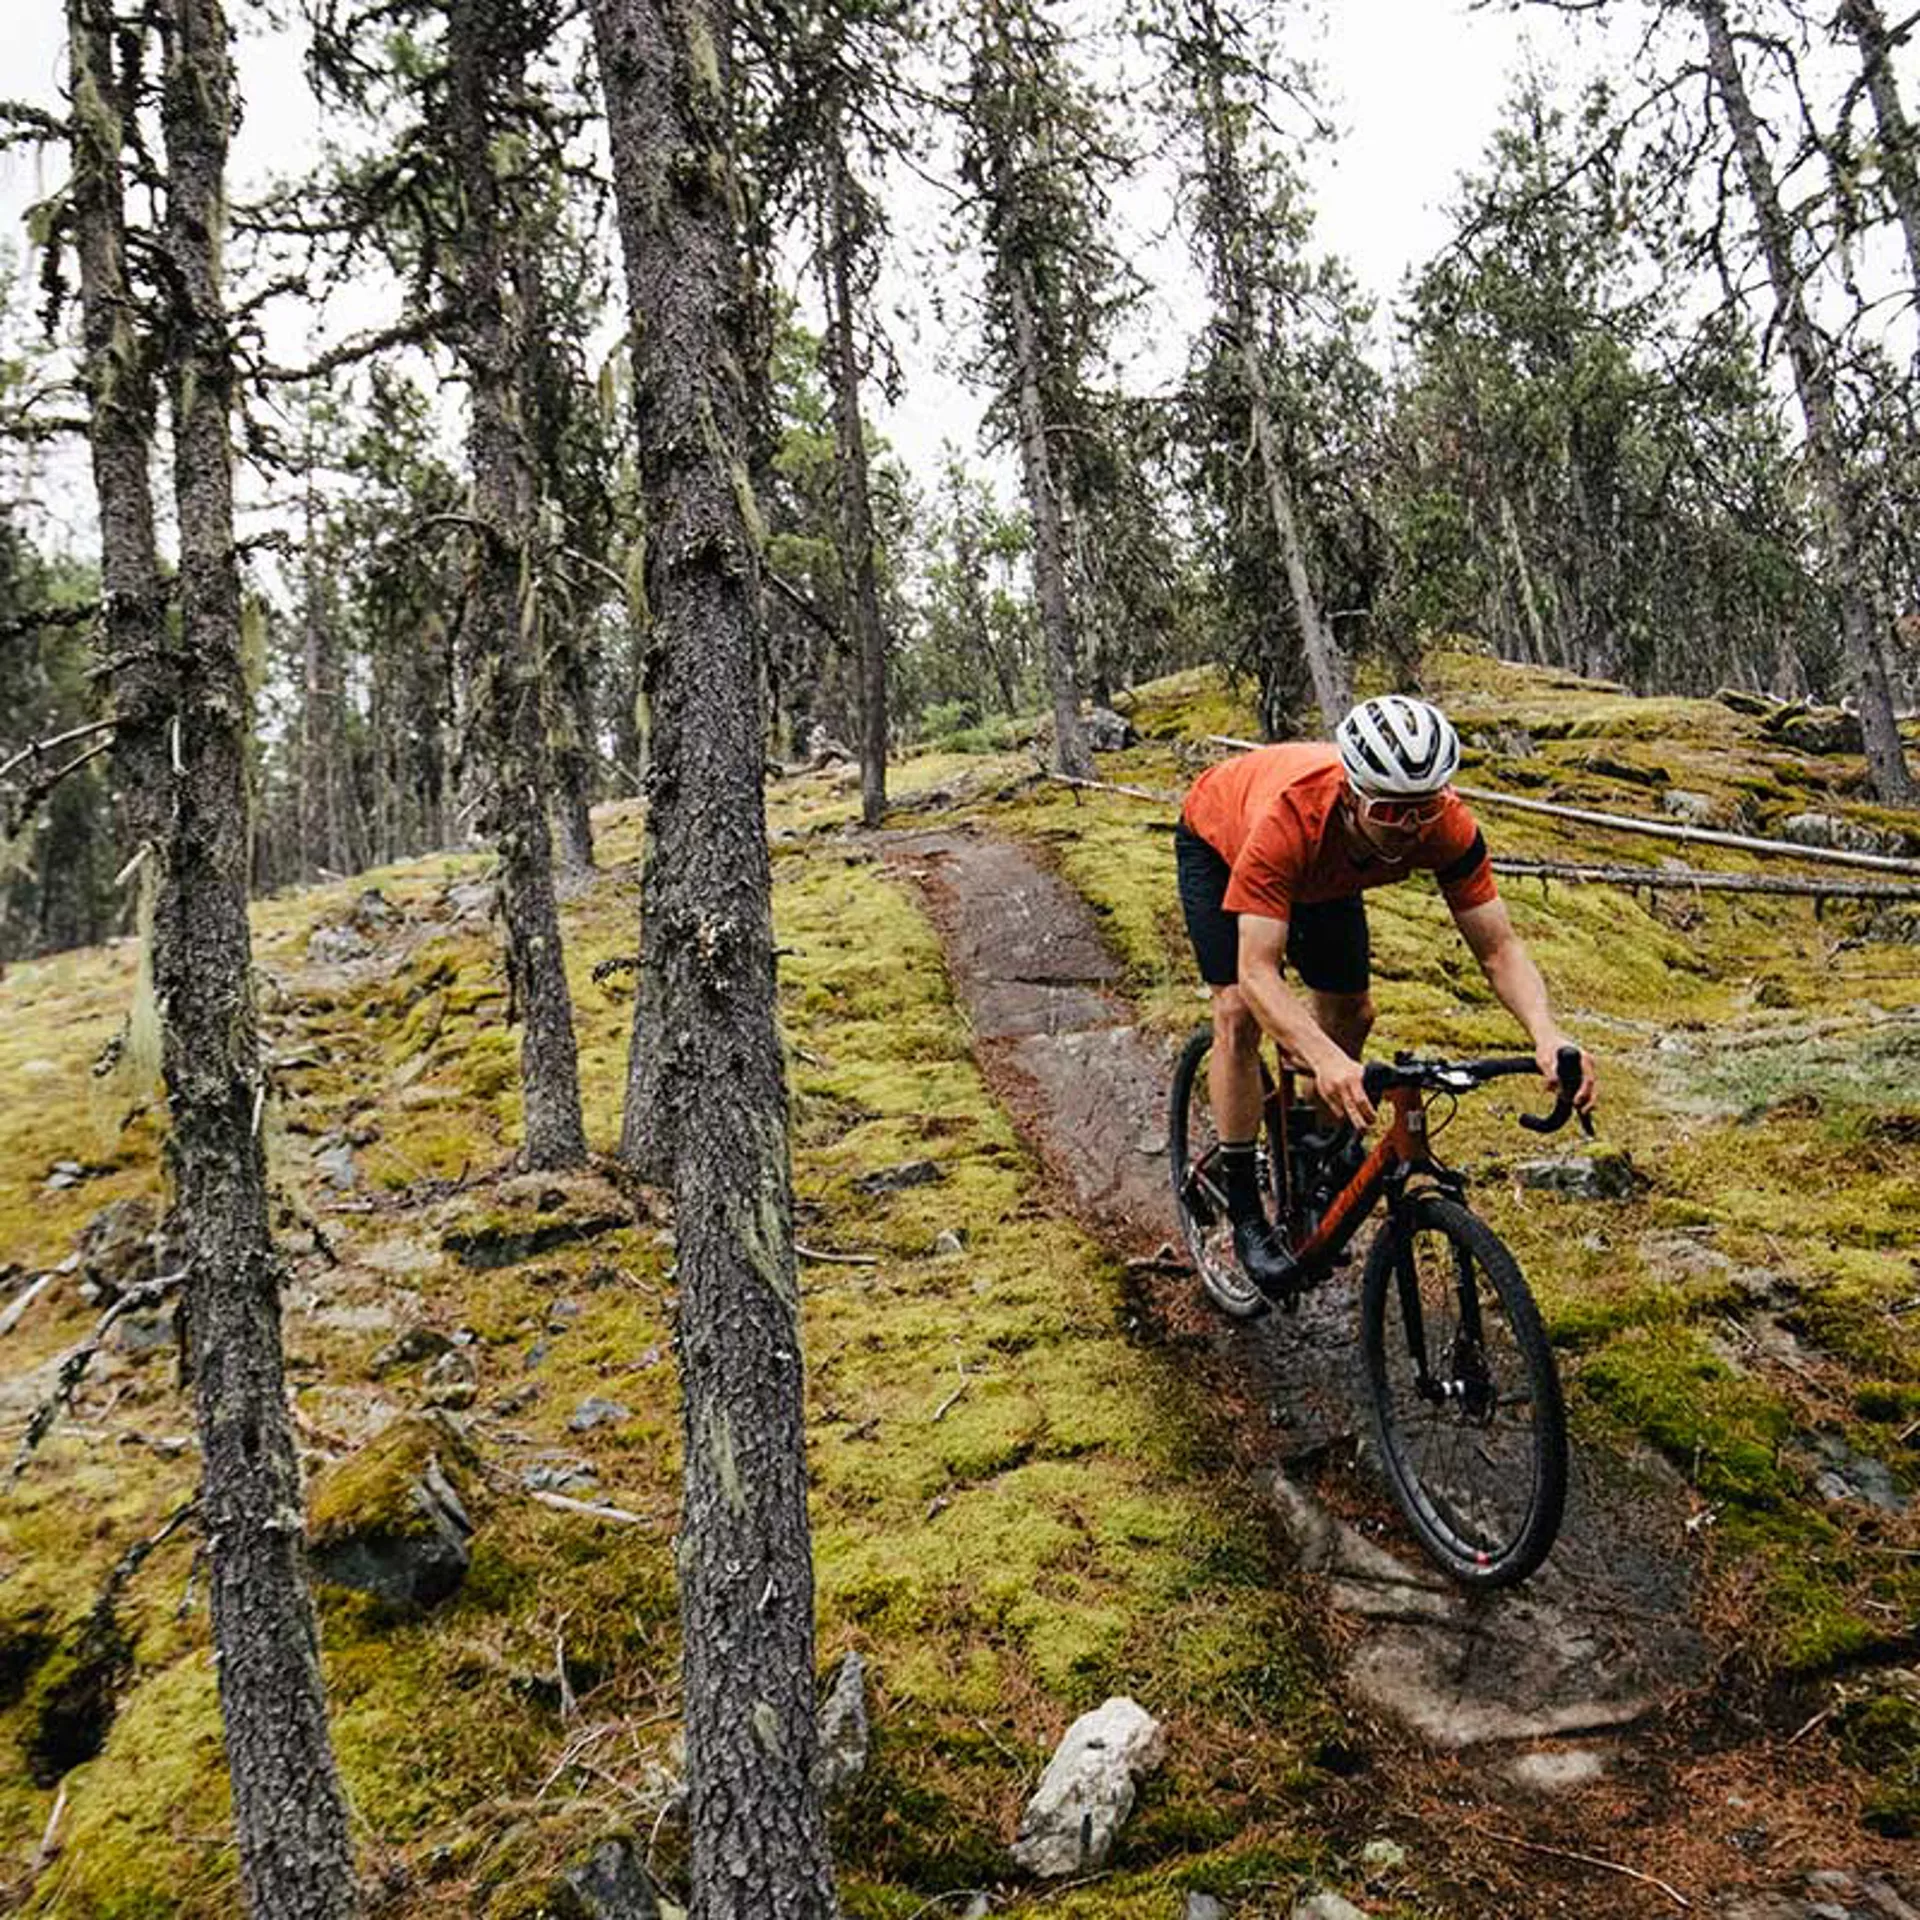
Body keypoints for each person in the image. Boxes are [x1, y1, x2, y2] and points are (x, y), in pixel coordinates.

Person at [1175, 694, 1596, 1291]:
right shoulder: (1289, 818)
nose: (1412, 827)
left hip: (1329, 873)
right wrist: (1323, 1059)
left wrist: (1546, 1034)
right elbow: (1257, 972)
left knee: (1353, 1013)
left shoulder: (1444, 825)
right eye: (1393, 810)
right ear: (1351, 794)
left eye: (1425, 808)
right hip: (1221, 839)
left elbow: (1499, 949)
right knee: (1239, 1013)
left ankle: (1314, 1152)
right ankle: (1245, 1208)